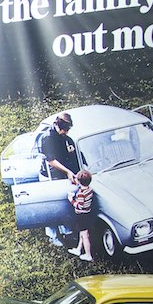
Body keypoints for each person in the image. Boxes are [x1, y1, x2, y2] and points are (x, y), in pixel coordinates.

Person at [37, 111, 79, 247]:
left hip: (62, 174)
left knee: (64, 202)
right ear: (58, 125)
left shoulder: (65, 137)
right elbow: (51, 160)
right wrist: (67, 171)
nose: (66, 132)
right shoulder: (48, 137)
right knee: (51, 206)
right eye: (64, 129)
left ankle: (67, 230)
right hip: (49, 175)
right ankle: (53, 235)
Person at [67, 169, 95, 261]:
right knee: (82, 233)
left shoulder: (80, 194)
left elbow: (79, 206)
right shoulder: (89, 189)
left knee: (84, 235)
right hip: (87, 214)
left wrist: (71, 199)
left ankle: (88, 255)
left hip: (81, 216)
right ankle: (78, 249)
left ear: (79, 181)